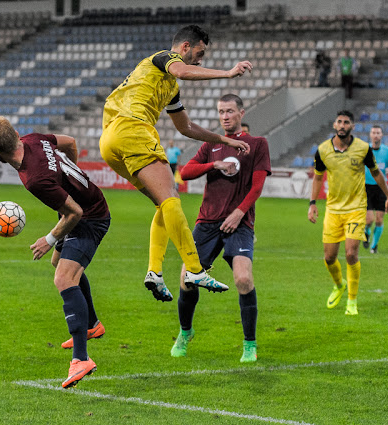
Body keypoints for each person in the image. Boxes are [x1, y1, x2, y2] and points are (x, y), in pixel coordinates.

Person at [99, 24, 252, 302]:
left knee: (164, 201)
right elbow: (182, 70)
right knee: (171, 199)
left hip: (110, 140)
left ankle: (155, 272)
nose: (200, 60)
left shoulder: (170, 87)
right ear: (185, 47)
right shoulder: (162, 59)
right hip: (133, 129)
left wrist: (224, 140)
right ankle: (195, 269)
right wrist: (228, 73)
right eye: (199, 53)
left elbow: (186, 127)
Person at [0, 116, 110, 389]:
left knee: (64, 278)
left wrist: (49, 238)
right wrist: (74, 177)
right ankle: (91, 324)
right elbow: (70, 142)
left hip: (91, 216)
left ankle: (81, 359)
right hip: (84, 206)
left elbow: (74, 212)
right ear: (17, 134)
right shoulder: (32, 139)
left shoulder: (34, 178)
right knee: (59, 264)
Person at [171, 94, 271, 362]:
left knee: (243, 279)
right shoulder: (211, 145)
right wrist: (213, 164)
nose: (224, 116)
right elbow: (187, 172)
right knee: (186, 280)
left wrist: (239, 213)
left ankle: (249, 344)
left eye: (229, 111)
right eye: (220, 112)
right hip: (207, 222)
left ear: (241, 112)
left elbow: (258, 186)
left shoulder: (257, 144)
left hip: (239, 223)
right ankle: (185, 331)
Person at [308, 110, 388, 316]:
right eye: (339, 121)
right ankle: (339, 285)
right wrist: (312, 203)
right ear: (334, 125)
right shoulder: (322, 150)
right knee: (329, 258)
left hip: (356, 209)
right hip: (333, 210)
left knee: (350, 253)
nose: (342, 125)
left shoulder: (363, 149)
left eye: (346, 122)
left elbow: (376, 173)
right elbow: (318, 177)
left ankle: (352, 301)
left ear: (352, 126)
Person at [364, 125, 388, 253]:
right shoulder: (364, 150)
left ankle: (374, 246)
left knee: (379, 219)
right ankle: (366, 231)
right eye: (373, 132)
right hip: (366, 187)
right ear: (370, 135)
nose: (375, 135)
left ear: (382, 135)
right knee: (369, 219)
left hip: (381, 188)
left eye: (378, 133)